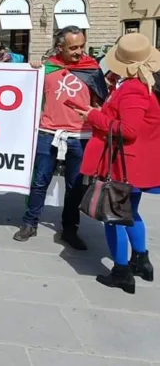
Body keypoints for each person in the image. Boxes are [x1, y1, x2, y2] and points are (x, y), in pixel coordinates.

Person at [78, 33, 160, 294]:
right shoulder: (143, 83)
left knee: (112, 216)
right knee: (131, 212)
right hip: (136, 161)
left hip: (124, 162)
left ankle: (121, 271)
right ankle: (142, 261)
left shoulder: (133, 88)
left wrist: (93, 116)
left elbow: (129, 129)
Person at [13, 26, 108, 249]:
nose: (79, 52)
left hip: (81, 136)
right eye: (73, 47)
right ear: (60, 47)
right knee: (39, 182)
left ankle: (69, 230)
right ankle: (30, 223)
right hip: (48, 133)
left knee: (76, 187)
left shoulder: (91, 69)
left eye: (82, 46)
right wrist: (33, 68)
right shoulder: (46, 69)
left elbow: (101, 102)